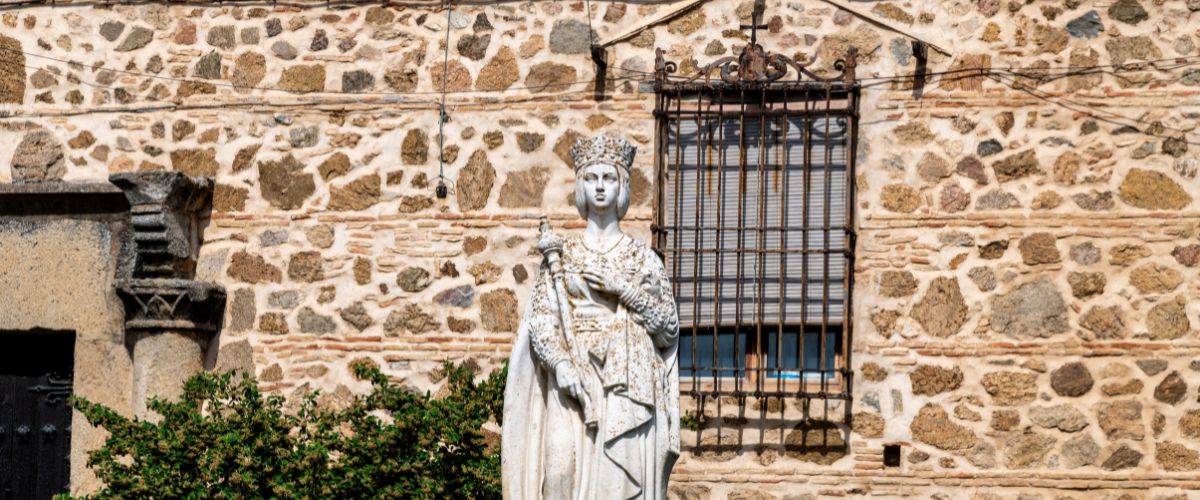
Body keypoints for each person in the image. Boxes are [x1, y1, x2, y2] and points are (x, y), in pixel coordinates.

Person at [502, 135, 680, 500]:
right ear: (580, 186)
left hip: (625, 386)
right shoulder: (562, 256)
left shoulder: (643, 259)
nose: (600, 186)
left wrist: (622, 288)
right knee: (558, 474)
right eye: (591, 178)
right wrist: (560, 365)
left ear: (622, 186)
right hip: (572, 382)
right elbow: (542, 321)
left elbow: (667, 328)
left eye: (609, 178)